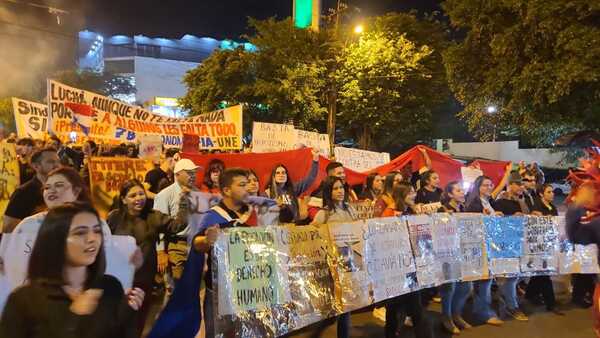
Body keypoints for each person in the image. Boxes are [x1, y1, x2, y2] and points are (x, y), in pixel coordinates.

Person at [0, 203, 144, 338]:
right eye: (80, 233)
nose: (92, 239)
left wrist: (129, 312)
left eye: (96, 230)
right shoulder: (24, 301)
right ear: (55, 238)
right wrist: (76, 318)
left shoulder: (110, 287)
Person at [107, 179, 188, 336]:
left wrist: (184, 203)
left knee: (136, 324)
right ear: (123, 199)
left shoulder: (153, 217)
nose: (138, 198)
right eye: (132, 195)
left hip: (142, 282)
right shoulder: (114, 218)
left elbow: (178, 226)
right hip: (117, 282)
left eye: (141, 194)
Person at [193, 168, 258, 338]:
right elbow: (197, 244)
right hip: (219, 291)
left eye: (249, 183)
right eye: (242, 185)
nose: (248, 188)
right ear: (227, 190)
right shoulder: (212, 216)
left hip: (247, 288)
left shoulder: (253, 214)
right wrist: (207, 241)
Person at [309, 176, 355, 338]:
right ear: (329, 192)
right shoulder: (324, 213)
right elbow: (311, 233)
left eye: (341, 187)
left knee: (345, 304)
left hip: (350, 261)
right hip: (333, 264)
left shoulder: (350, 209)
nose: (340, 191)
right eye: (335, 188)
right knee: (342, 305)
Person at [13, 166, 111, 237]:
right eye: (47, 188)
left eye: (59, 185)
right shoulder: (29, 225)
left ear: (76, 191)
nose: (51, 190)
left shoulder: (96, 225)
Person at [153, 158, 201, 297]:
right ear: (177, 174)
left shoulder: (196, 192)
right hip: (175, 244)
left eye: (194, 173)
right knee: (176, 288)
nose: (193, 176)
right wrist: (161, 252)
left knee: (193, 287)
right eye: (189, 173)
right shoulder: (165, 195)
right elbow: (159, 226)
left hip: (194, 245)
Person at [465, 175, 504, 326]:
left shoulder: (488, 201)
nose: (489, 187)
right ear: (478, 187)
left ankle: (482, 310)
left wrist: (496, 215)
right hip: (480, 247)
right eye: (485, 185)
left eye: (490, 184)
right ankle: (484, 313)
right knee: (483, 281)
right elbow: (473, 224)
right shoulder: (475, 204)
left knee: (485, 281)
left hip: (489, 246)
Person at [493, 171, 529, 322]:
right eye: (519, 184)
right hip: (505, 244)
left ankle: (506, 297)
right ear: (510, 185)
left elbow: (526, 215)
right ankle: (511, 306)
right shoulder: (500, 200)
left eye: (522, 184)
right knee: (510, 277)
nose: (522, 187)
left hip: (519, 242)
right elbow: (495, 220)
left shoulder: (520, 200)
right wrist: (510, 219)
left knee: (520, 274)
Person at [438, 181, 473, 334]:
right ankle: (446, 318)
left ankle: (456, 314)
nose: (462, 193)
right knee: (449, 287)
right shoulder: (443, 209)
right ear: (450, 194)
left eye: (462, 190)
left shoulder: (464, 208)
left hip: (462, 253)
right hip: (446, 255)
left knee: (466, 287)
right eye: (458, 191)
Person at [526, 183, 563, 315]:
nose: (552, 194)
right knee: (544, 274)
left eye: (552, 192)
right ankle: (550, 303)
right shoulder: (536, 206)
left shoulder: (553, 207)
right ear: (541, 194)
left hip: (549, 244)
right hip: (537, 245)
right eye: (548, 192)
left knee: (539, 273)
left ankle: (529, 294)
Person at [3, 147, 60, 233]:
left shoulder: (62, 189)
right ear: (36, 166)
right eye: (51, 162)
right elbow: (8, 227)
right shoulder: (23, 192)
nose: (57, 165)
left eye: (58, 161)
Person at [265, 149, 319, 223]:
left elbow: (310, 178)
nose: (281, 175)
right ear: (273, 177)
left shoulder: (293, 188)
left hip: (294, 226)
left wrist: (315, 159)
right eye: (278, 173)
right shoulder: (268, 192)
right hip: (276, 226)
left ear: (287, 176)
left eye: (284, 173)